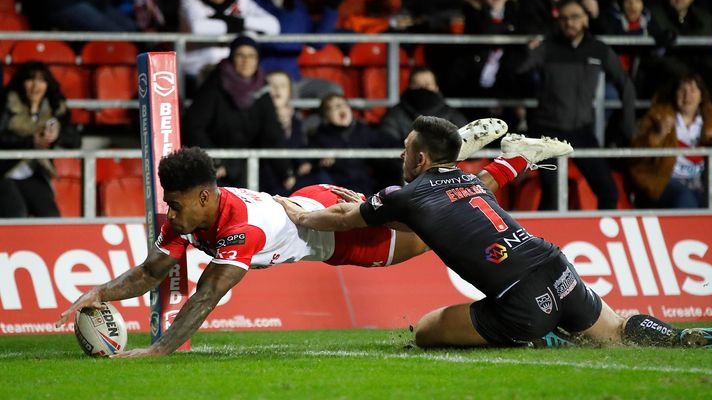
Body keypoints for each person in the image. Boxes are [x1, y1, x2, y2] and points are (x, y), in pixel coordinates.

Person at [54, 119, 573, 356]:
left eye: (176, 201)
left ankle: (512, 159)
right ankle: (452, 154)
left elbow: (208, 293)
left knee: (439, 221)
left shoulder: (241, 230)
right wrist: (99, 292)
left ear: (206, 197)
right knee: (435, 204)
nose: (169, 211)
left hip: (335, 233)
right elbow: (152, 271)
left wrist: (160, 350)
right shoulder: (188, 215)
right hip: (308, 201)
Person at [275, 115, 712, 350]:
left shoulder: (407, 194)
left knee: (424, 332)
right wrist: (516, 160)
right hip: (554, 263)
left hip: (521, 300)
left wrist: (293, 211)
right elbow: (480, 182)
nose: (402, 157)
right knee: (613, 330)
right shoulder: (467, 181)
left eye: (406, 151)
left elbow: (342, 217)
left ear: (420, 159)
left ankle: (546, 338)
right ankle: (692, 338)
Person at [516, 0, 636, 210]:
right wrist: (527, 52)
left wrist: (627, 127)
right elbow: (517, 73)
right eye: (564, 18)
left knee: (609, 192)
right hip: (547, 132)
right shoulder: (546, 47)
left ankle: (600, 241)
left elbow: (626, 85)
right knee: (552, 194)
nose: (569, 23)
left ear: (586, 19)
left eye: (575, 17)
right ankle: (546, 242)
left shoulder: (598, 49)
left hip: (581, 131)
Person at [181, 33, 293, 195]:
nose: (246, 61)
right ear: (232, 57)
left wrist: (285, 170)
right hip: (217, 169)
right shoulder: (215, 85)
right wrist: (214, 161)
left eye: (251, 56)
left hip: (247, 166)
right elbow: (194, 126)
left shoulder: (261, 89)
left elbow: (271, 133)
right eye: (240, 55)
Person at [629, 74, 712, 209]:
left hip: (703, 182)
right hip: (666, 180)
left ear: (701, 96)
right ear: (675, 94)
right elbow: (634, 154)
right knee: (685, 198)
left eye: (693, 90)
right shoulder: (658, 115)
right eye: (682, 90)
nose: (687, 95)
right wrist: (657, 135)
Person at [0, 61, 82, 217]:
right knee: (16, 214)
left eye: (41, 80)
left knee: (51, 216)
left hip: (34, 174)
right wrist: (31, 141)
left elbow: (75, 141)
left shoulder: (54, 107)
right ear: (21, 82)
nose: (35, 86)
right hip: (4, 172)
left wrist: (56, 137)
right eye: (30, 79)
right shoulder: (6, 104)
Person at [179, 0, 279, 79]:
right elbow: (198, 28)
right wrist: (235, 24)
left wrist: (241, 22)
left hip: (232, 71)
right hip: (196, 70)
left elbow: (273, 26)